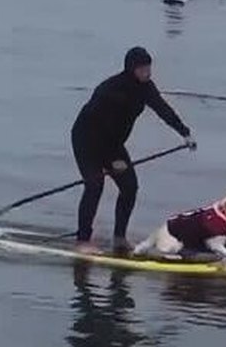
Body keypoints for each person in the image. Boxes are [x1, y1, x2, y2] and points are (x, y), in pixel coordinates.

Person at [70, 47, 196, 254]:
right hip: (87, 140)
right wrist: (108, 164)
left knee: (129, 187)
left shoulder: (146, 88)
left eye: (149, 67)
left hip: (113, 144)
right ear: (132, 68)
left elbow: (162, 109)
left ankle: (119, 238)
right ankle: (83, 241)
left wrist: (185, 132)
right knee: (95, 185)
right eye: (143, 68)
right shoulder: (111, 89)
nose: (148, 72)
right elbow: (97, 125)